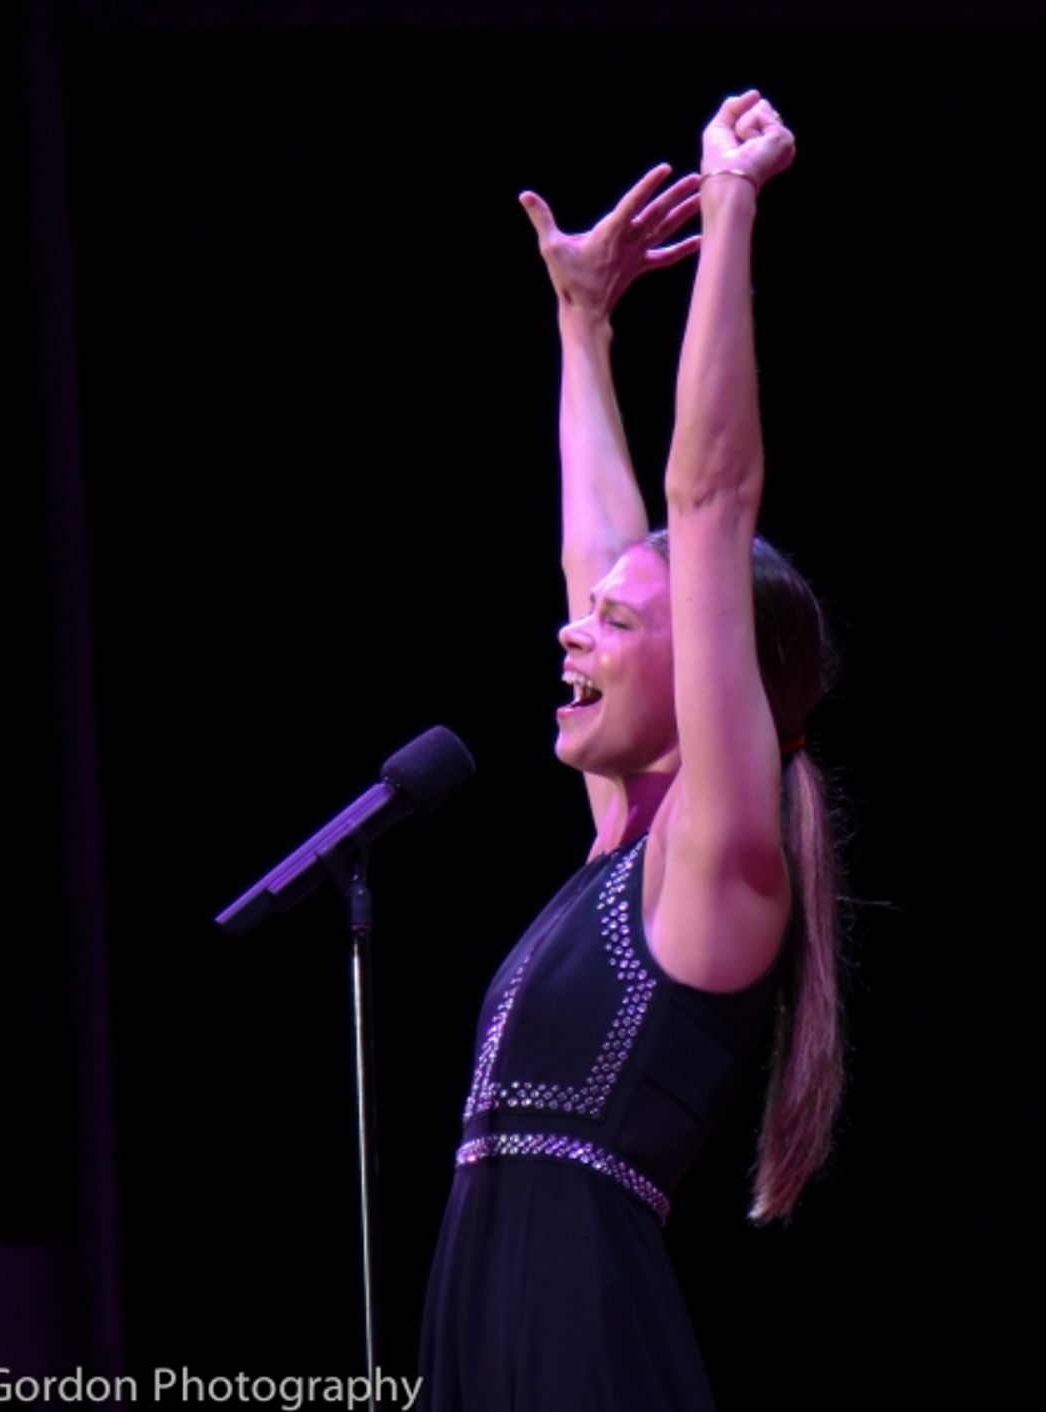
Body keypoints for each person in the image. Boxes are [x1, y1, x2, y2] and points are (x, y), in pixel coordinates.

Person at [417, 91, 843, 1411]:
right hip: (483, 1338)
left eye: (614, 625)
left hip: (579, 1351)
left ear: (716, 672)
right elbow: (603, 552)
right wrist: (581, 323)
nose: (573, 630)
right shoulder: (622, 841)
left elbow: (704, 504)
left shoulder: (717, 861)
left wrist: (728, 214)